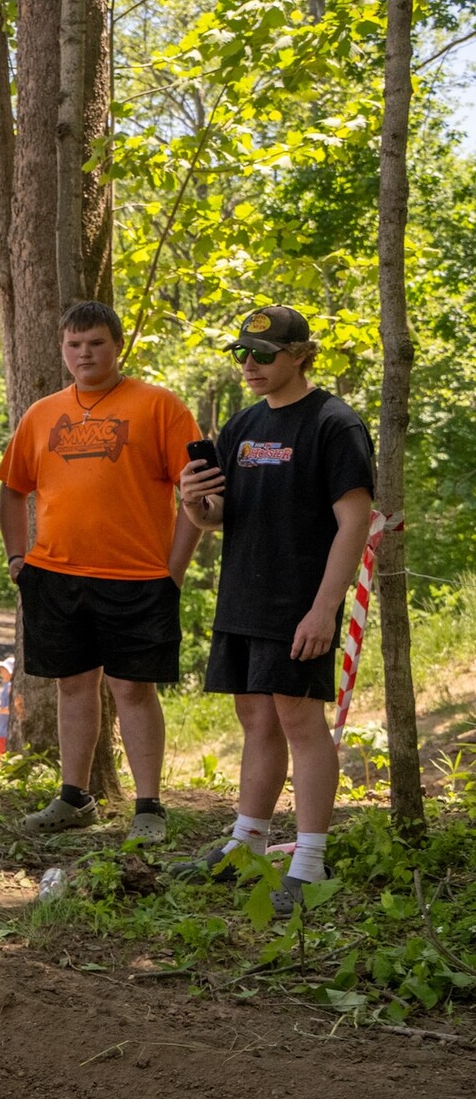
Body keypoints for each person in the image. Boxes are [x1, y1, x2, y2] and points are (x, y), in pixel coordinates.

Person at [173, 307, 374, 914]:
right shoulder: (243, 425)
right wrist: (194, 505)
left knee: (299, 721)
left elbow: (355, 521)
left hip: (299, 601)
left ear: (300, 354)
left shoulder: (334, 424)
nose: (249, 365)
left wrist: (323, 609)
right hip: (243, 595)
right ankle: (247, 845)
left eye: (263, 353)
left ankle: (309, 864)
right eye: (242, 352)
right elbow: (217, 517)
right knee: (255, 720)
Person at [0, 300, 203, 842]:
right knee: (72, 686)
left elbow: (198, 495)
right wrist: (20, 558)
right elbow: (12, 490)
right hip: (56, 576)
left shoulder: (160, 407)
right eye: (74, 344)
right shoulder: (42, 414)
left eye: (95, 343)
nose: (84, 353)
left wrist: (172, 570)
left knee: (133, 689)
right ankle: (74, 796)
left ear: (117, 347)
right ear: (63, 350)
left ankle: (149, 806)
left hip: (137, 578)